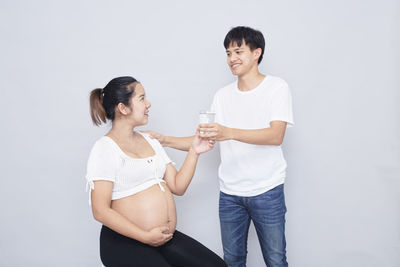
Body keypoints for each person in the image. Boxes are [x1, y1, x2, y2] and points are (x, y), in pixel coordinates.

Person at [148, 26, 293, 267]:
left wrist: (229, 132)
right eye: (228, 53)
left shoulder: (277, 87)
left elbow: (276, 135)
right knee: (233, 261)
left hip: (267, 190)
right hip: (230, 194)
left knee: (276, 260)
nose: (231, 59)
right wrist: (165, 140)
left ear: (257, 53)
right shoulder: (222, 96)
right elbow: (202, 141)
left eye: (238, 51)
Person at [86, 76, 227, 267]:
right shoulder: (104, 149)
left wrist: (194, 150)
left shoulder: (150, 140)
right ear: (123, 108)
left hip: (161, 237)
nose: (148, 104)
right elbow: (100, 211)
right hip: (124, 241)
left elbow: (178, 186)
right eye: (142, 98)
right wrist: (144, 236)